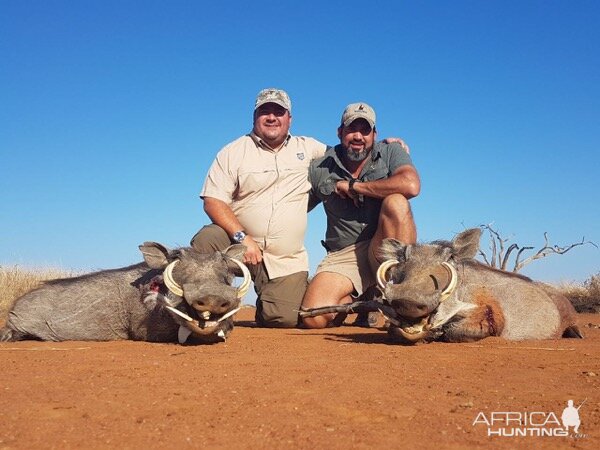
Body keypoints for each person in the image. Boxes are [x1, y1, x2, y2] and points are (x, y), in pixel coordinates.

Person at [190, 88, 327, 327]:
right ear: (254, 116)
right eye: (265, 111)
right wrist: (242, 237)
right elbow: (212, 201)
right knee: (207, 239)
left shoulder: (310, 148)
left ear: (289, 118)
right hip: (239, 247)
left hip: (285, 259)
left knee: (282, 319)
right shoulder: (232, 151)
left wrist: (388, 149)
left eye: (278, 112)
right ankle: (204, 307)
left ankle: (272, 303)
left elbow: (348, 155)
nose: (272, 117)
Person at [301, 102, 421, 329]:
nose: (358, 136)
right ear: (340, 132)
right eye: (351, 129)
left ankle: (398, 297)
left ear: (374, 134)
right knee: (312, 317)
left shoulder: (390, 152)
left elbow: (412, 185)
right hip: (345, 253)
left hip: (383, 247)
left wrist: (355, 187)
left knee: (396, 202)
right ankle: (364, 301)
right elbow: (296, 206)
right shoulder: (319, 167)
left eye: (365, 130)